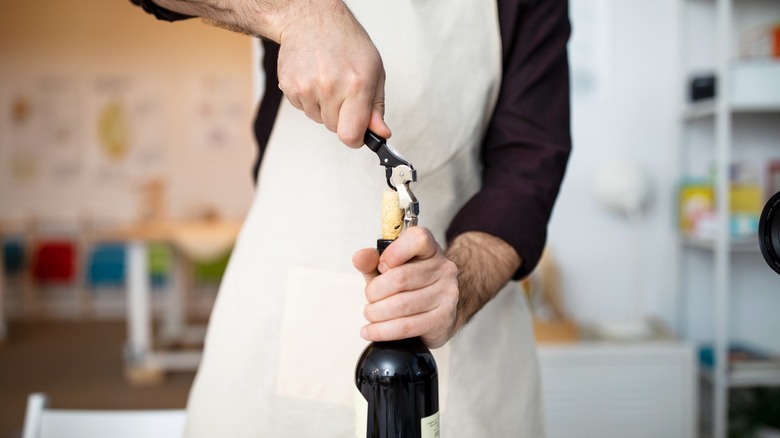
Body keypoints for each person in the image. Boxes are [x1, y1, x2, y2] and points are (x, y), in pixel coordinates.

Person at [131, 0, 571, 436]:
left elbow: (529, 163)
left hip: (467, 336)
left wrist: (460, 284)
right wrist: (298, 12)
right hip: (279, 314)